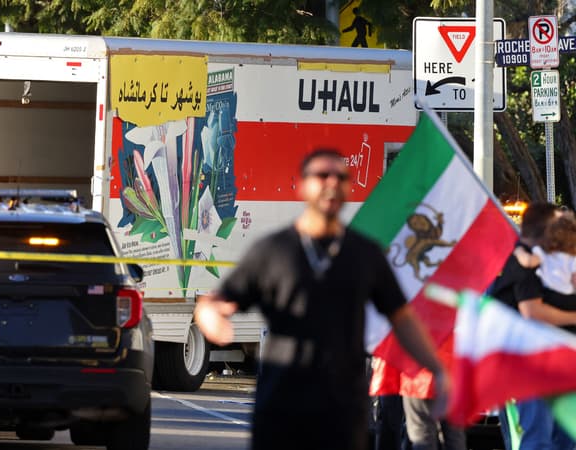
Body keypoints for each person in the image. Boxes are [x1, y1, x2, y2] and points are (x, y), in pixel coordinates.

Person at [194, 149, 449, 450]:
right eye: (321, 175)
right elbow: (217, 301)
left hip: (341, 412)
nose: (331, 182)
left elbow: (402, 318)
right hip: (281, 408)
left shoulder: (365, 254)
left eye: (340, 176)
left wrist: (437, 369)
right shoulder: (273, 250)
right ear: (303, 186)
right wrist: (211, 317)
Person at [490, 202, 576, 450]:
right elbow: (532, 312)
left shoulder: (556, 258)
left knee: (564, 440)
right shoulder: (524, 258)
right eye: (559, 224)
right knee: (539, 438)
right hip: (531, 363)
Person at [513, 211, 576, 333]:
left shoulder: (540, 252)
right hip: (567, 294)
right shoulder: (572, 258)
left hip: (547, 294)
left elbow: (527, 261)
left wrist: (518, 250)